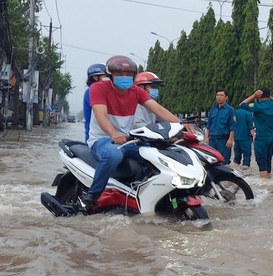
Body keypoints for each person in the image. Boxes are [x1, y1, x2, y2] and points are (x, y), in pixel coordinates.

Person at [80, 55, 191, 209]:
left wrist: (181, 124)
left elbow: (158, 109)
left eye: (128, 75)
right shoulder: (98, 88)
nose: (124, 78)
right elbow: (101, 116)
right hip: (102, 139)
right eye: (119, 75)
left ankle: (139, 192)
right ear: (110, 76)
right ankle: (92, 195)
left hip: (128, 140)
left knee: (158, 154)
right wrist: (113, 134)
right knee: (113, 155)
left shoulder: (136, 91)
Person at [239, 88, 273, 178]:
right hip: (272, 137)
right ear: (269, 96)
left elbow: (242, 104)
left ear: (259, 96)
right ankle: (269, 179)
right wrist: (270, 96)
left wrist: (254, 96)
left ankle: (264, 182)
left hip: (262, 137)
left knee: (261, 160)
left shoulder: (258, 106)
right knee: (268, 159)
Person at [205, 88, 236, 165]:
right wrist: (206, 138)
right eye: (217, 95)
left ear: (226, 97)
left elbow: (233, 125)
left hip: (223, 140)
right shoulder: (213, 110)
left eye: (221, 95)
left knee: (224, 161)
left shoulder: (230, 110)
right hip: (212, 139)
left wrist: (230, 139)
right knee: (212, 161)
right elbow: (208, 125)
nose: (219, 97)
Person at [82, 63, 107, 142]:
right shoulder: (91, 91)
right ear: (95, 77)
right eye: (105, 76)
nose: (108, 78)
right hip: (96, 137)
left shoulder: (104, 91)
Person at [233, 104, 255, 170]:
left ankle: (236, 164)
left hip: (236, 137)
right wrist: (254, 136)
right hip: (245, 137)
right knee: (247, 153)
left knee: (237, 152)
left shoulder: (235, 113)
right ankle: (245, 166)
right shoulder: (248, 114)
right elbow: (250, 126)